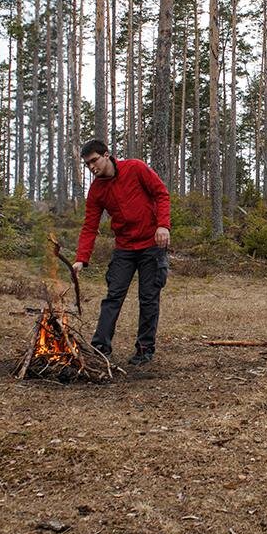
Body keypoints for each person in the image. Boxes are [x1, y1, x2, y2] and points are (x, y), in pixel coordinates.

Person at [72, 139, 171, 365]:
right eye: (87, 165)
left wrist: (163, 225)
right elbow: (89, 226)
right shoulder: (97, 190)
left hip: (151, 246)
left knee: (148, 298)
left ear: (107, 155)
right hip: (124, 248)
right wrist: (81, 259)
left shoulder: (135, 168)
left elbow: (161, 194)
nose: (92, 167)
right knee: (113, 297)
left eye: (94, 161)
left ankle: (144, 349)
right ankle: (100, 347)